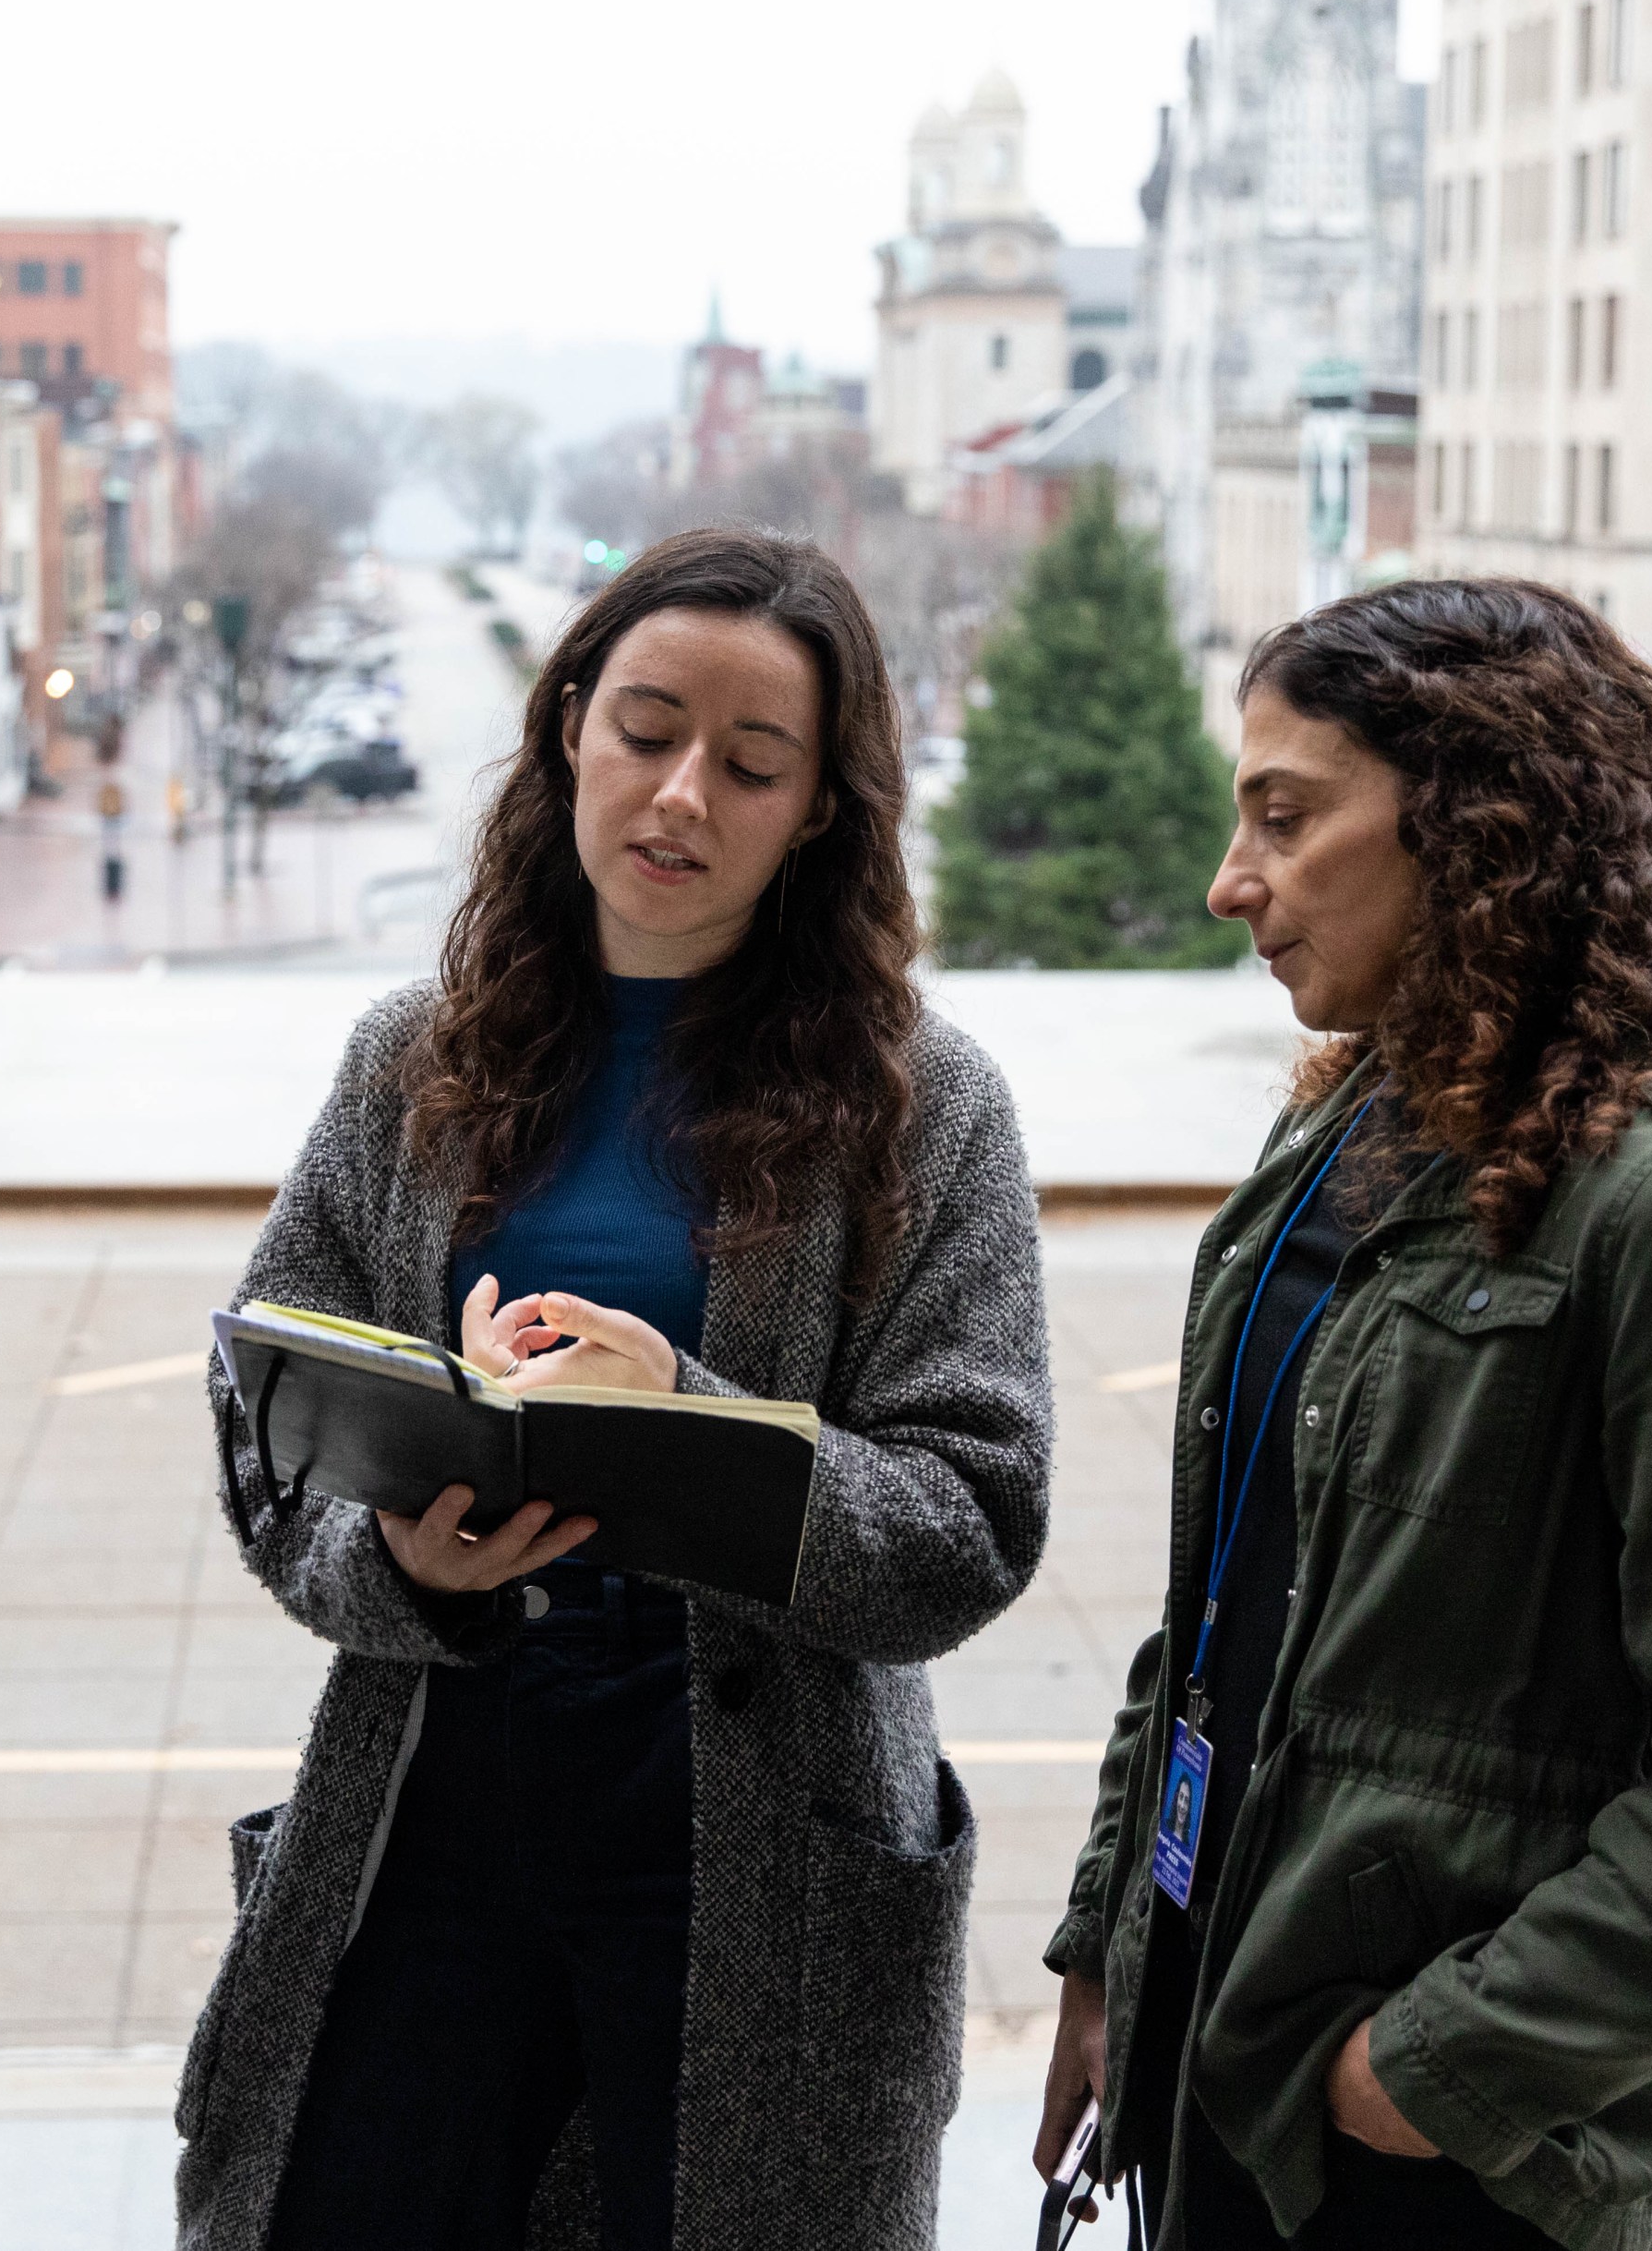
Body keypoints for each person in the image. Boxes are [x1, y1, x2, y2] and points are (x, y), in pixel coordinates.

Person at [175, 530, 1055, 2251]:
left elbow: (975, 1517)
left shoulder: (924, 1105)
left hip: (756, 1825)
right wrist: (402, 1562)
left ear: (818, 811)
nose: (679, 796)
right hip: (435, 1786)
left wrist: (695, 1426)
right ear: (567, 722)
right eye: (644, 728)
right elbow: (263, 1415)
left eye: (750, 764)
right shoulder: (410, 1057)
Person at [1033, 578, 1652, 2249]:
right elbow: (1211, 1613)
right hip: (1220, 2049)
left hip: (1434, 2164)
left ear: (1478, 826)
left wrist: (1429, 2073)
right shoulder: (1330, 1143)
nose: (1231, 880)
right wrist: (1112, 1948)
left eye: (1286, 813)